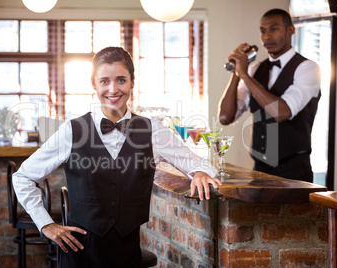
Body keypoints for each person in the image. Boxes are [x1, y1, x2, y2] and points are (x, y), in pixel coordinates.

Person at [13, 46, 221, 267]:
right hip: (79, 253)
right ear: (94, 84)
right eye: (104, 81)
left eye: (121, 80)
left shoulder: (153, 130)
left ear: (132, 82)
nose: (113, 89)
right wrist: (46, 224)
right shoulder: (72, 130)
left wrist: (199, 172)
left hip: (126, 254)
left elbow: (199, 163)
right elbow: (23, 177)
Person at [218, 8, 321, 183]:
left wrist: (244, 76)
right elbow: (225, 117)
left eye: (274, 29)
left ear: (290, 30)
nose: (266, 37)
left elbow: (281, 112)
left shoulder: (308, 69)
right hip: (259, 171)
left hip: (294, 173)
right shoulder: (254, 69)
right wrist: (236, 74)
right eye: (263, 31)